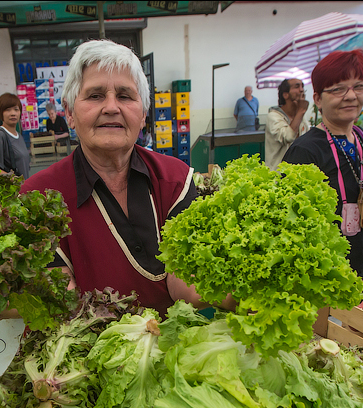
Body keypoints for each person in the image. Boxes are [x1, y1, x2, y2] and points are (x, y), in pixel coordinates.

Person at [21, 39, 233, 314]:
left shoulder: (175, 180)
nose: (111, 107)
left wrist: (233, 291)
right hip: (89, 349)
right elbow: (62, 299)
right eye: (95, 95)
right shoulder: (39, 196)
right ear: (70, 113)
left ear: (143, 114)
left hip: (165, 347)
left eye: (125, 96)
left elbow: (181, 281)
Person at [282, 49, 363, 294]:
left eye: (358, 86)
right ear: (318, 99)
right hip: (325, 274)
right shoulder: (305, 151)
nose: (350, 96)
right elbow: (289, 223)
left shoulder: (359, 136)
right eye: (338, 89)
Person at [265, 78, 311, 169]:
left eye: (302, 86)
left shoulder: (301, 117)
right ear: (285, 95)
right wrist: (301, 111)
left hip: (297, 173)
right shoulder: (273, 116)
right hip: (278, 175)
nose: (301, 90)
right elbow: (288, 137)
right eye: (297, 86)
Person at [0, 93, 30, 179]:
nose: (13, 113)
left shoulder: (19, 136)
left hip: (23, 189)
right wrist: (13, 180)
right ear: (1, 113)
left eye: (16, 109)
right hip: (11, 190)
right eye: (8, 110)